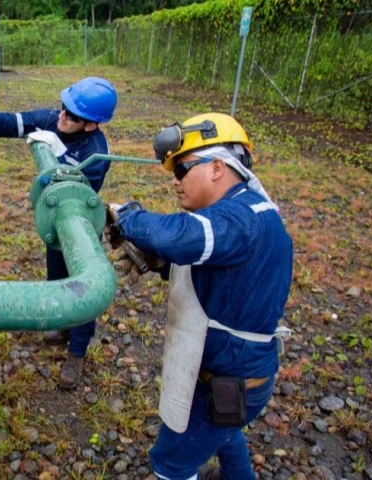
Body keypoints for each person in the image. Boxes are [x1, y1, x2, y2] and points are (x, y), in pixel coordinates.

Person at [105, 113, 293, 480]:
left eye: (182, 170)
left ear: (218, 167)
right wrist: (163, 264)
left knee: (170, 461)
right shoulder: (246, 211)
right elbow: (218, 272)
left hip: (228, 377)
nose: (175, 182)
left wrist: (126, 216)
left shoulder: (239, 219)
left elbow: (181, 236)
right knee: (223, 431)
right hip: (235, 374)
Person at [0, 77, 118, 389]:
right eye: (64, 108)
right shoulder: (54, 119)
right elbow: (8, 123)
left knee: (83, 282)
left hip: (80, 226)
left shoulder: (97, 152)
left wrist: (60, 155)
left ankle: (77, 350)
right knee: (55, 274)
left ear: (92, 125)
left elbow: (80, 187)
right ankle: (64, 324)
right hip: (55, 221)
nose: (63, 116)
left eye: (73, 116)